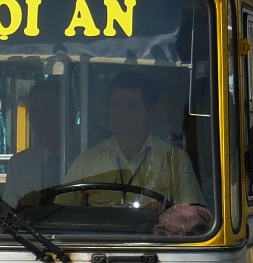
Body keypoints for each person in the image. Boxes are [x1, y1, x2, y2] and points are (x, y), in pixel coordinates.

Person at [56, 71, 210, 235]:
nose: (122, 114)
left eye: (132, 105)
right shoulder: (87, 161)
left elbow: (195, 217)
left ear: (152, 113)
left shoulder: (175, 159)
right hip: (98, 248)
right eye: (116, 105)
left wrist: (165, 214)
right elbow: (61, 215)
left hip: (159, 249)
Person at [3, 79, 66, 208]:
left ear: (67, 112)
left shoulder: (88, 157)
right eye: (35, 112)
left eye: (48, 110)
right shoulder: (19, 164)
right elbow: (8, 215)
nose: (41, 119)